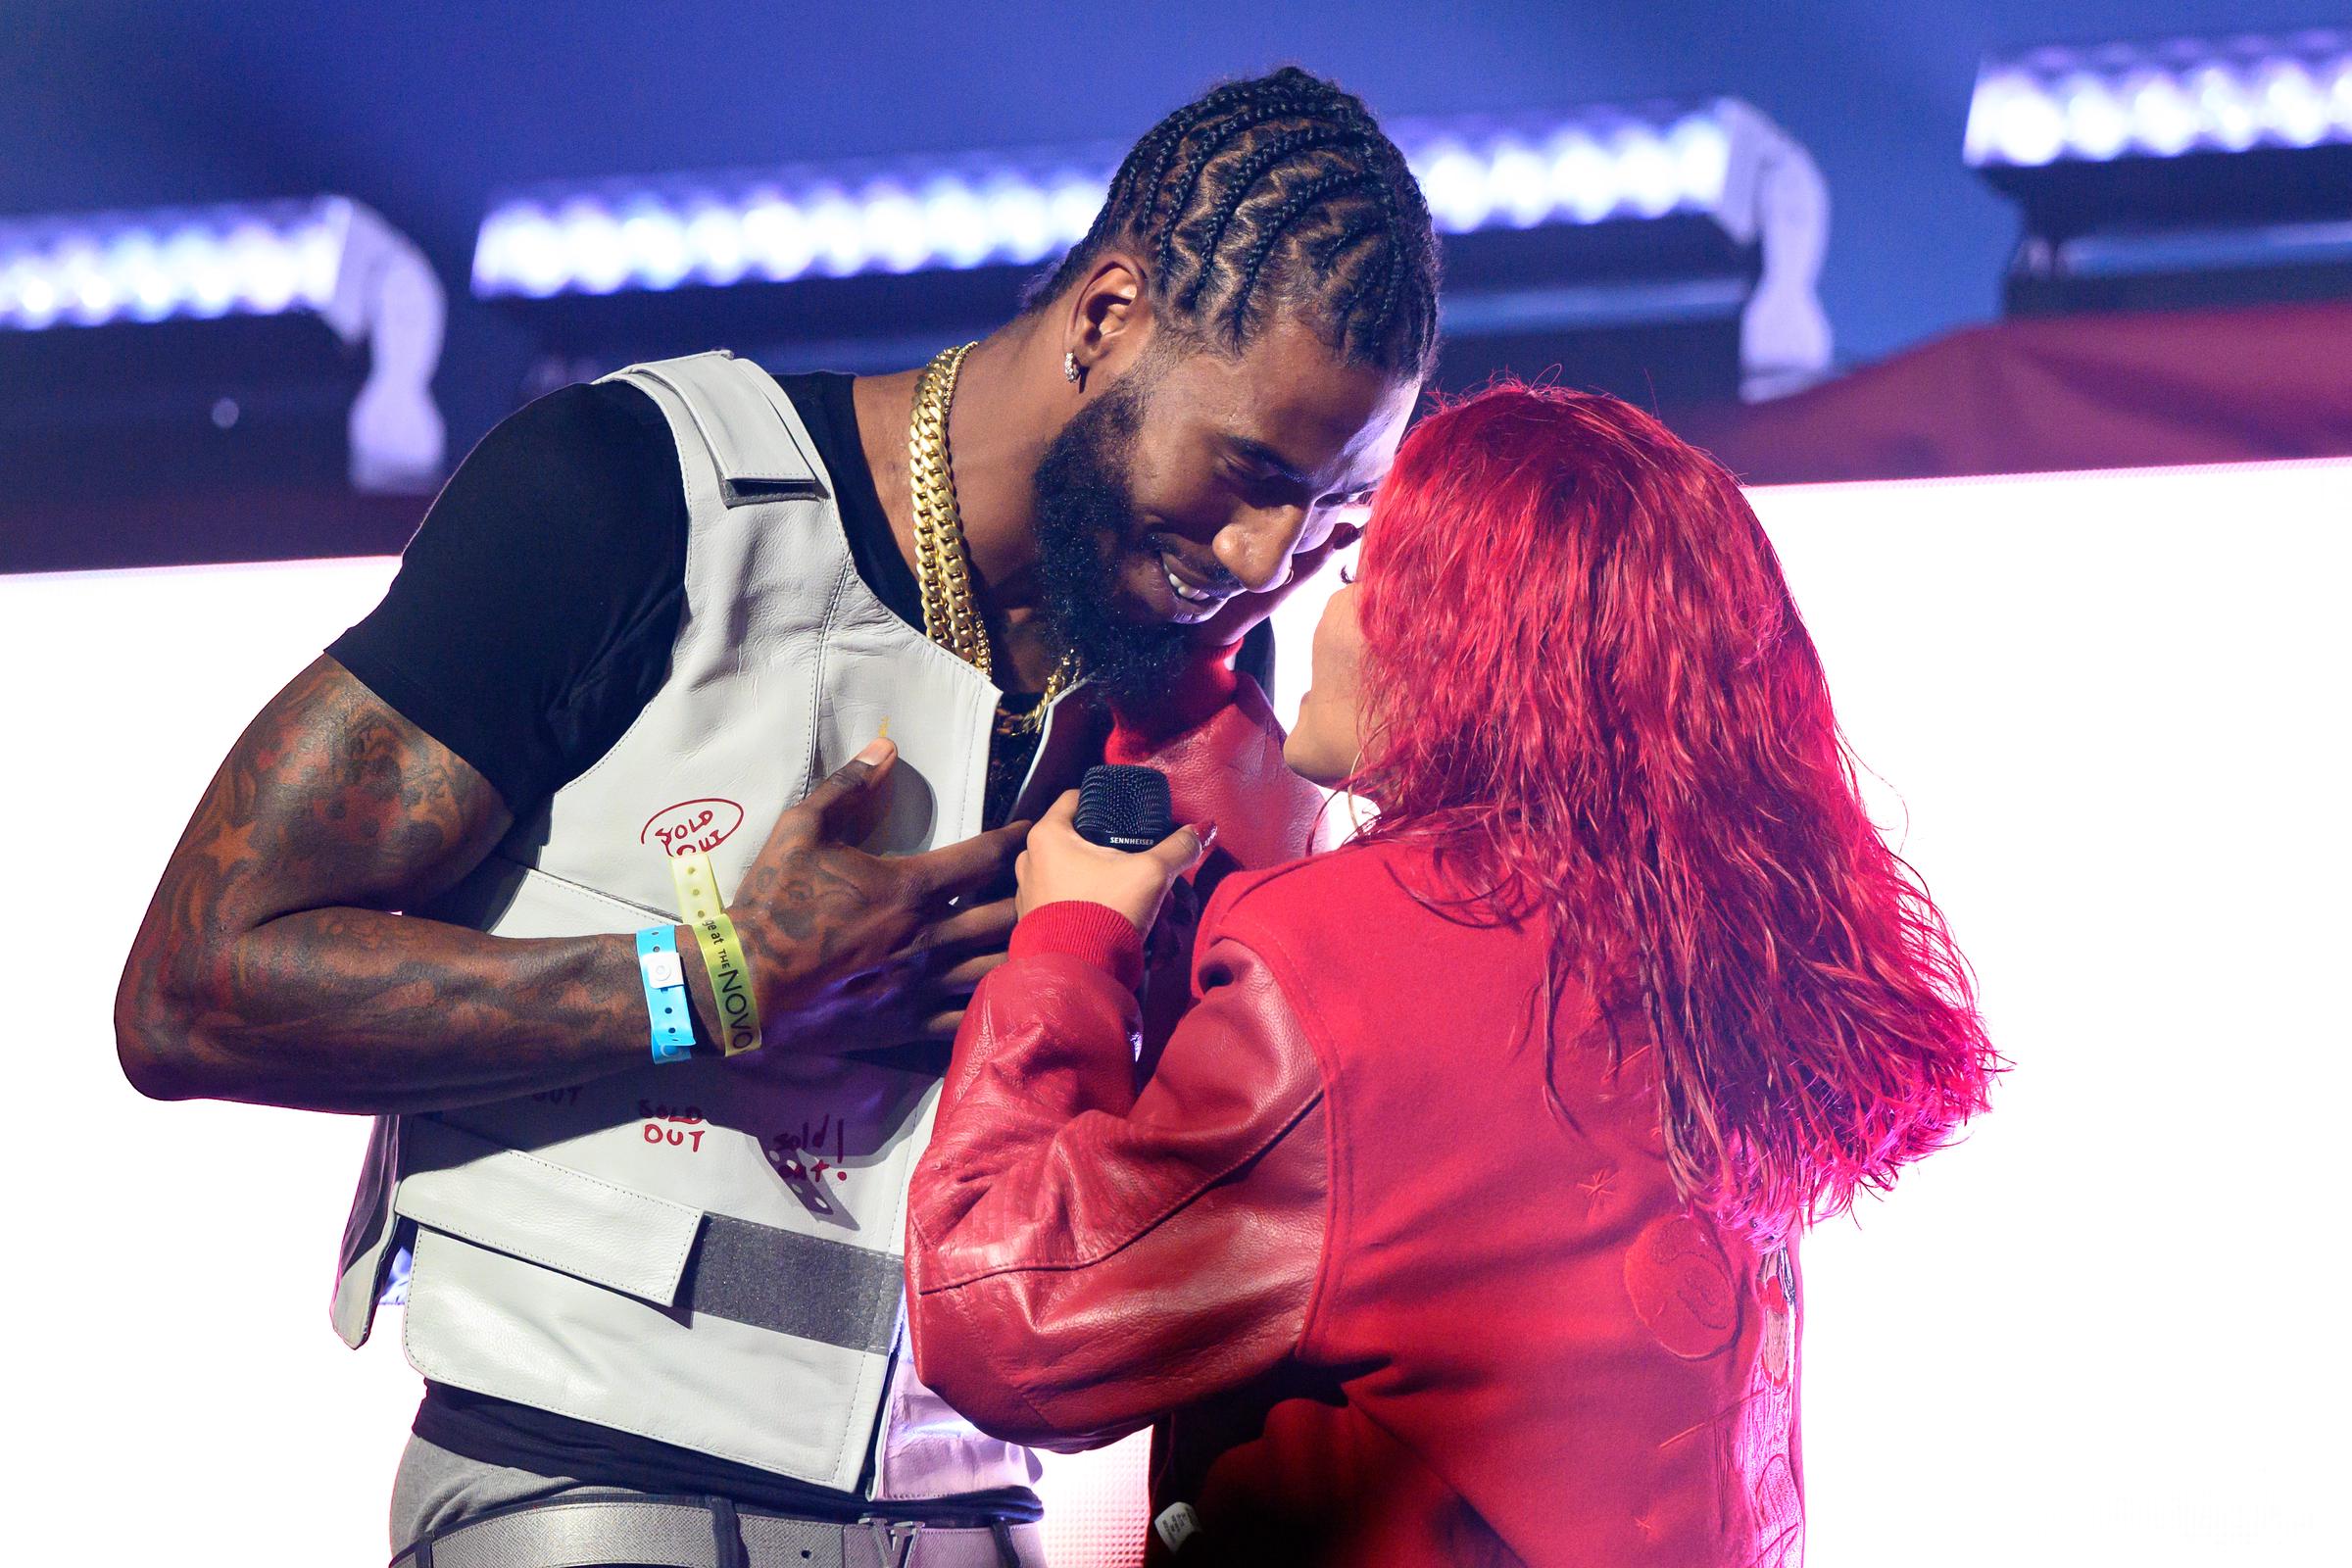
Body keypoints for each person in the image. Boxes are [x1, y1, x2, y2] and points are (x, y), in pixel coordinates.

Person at [112, 68, 1439, 1567]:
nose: (1266, 556)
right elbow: (193, 986)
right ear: (1109, 315)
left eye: (1334, 516)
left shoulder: (1192, 687)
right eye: (1251, 474)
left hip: (973, 1512)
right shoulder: (637, 493)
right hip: (586, 1489)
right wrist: (713, 984)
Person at [906, 384, 2001, 1566]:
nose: (1329, 607)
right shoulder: (1709, 949)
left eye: (1363, 575)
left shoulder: (1345, 969)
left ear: (1462, 639)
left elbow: (1003, 1319)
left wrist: (1069, 942)